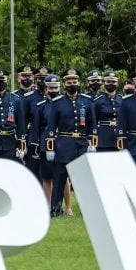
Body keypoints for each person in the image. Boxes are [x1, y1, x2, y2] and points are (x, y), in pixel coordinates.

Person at [45, 69, 96, 217]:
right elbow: (51, 127)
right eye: (69, 82)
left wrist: (92, 144)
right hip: (63, 144)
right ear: (64, 84)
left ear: (79, 83)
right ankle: (55, 209)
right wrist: (50, 148)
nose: (72, 85)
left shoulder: (87, 101)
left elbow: (92, 125)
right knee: (59, 179)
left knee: (84, 179)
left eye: (74, 82)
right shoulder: (58, 103)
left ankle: (88, 208)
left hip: (81, 144)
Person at [29, 75, 61, 206]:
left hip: (62, 142)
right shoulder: (41, 106)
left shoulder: (64, 104)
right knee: (47, 177)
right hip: (45, 144)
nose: (53, 90)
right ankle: (48, 205)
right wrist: (34, 145)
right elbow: (36, 127)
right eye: (50, 88)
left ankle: (64, 206)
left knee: (62, 177)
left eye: (55, 88)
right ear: (46, 88)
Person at [93, 70, 123, 152]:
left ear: (117, 83)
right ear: (103, 83)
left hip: (119, 138)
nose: (111, 84)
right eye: (108, 81)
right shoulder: (97, 101)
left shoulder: (122, 100)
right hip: (103, 138)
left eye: (113, 82)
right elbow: (93, 121)